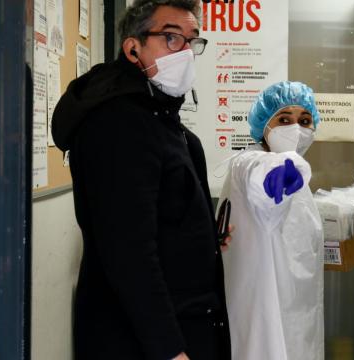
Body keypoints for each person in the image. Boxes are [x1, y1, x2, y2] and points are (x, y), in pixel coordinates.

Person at [51, 1, 231, 359]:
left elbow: (162, 214)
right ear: (133, 48)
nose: (186, 53)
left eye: (192, 41)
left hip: (183, 325)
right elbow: (129, 253)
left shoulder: (163, 123)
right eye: (171, 38)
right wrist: (169, 349)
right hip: (141, 340)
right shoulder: (118, 124)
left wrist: (206, 237)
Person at [219, 81, 324, 360]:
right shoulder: (249, 163)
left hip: (297, 311)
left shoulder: (300, 182)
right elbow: (260, 175)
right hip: (265, 313)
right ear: (264, 125)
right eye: (284, 119)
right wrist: (273, 177)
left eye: (304, 120)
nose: (296, 128)